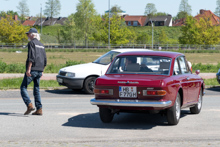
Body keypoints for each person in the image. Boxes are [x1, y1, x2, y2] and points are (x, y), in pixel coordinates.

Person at [20, 28, 47, 115]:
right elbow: (45, 59)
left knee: (23, 87)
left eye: (28, 34)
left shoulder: (31, 43)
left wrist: (28, 69)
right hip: (39, 70)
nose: (27, 35)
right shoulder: (42, 45)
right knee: (36, 89)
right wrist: (42, 70)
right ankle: (39, 109)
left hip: (33, 69)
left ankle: (29, 105)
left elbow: (31, 57)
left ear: (33, 34)